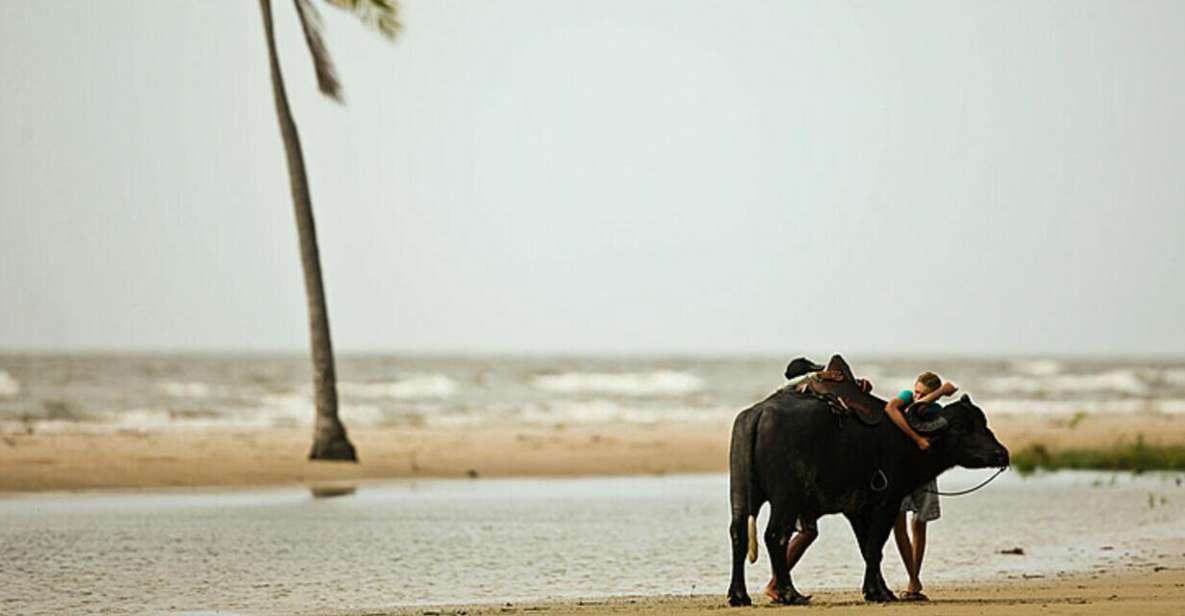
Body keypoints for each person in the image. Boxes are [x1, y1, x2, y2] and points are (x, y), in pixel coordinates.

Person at [883, 371, 958, 601]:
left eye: (922, 393)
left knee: (919, 523)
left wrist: (937, 396)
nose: (917, 396)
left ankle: (913, 580)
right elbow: (894, 409)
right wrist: (916, 439)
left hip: (924, 472)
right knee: (898, 524)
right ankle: (913, 578)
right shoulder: (907, 399)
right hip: (901, 471)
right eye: (916, 391)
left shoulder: (936, 412)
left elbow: (921, 412)